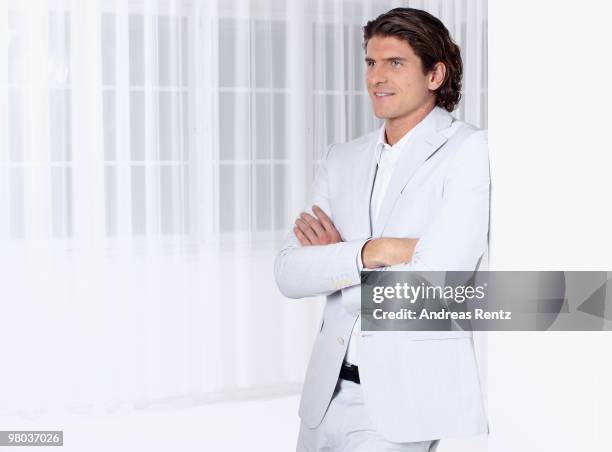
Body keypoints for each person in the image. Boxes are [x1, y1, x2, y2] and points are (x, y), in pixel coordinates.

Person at [274, 7, 490, 452]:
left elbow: (436, 284)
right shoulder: (342, 158)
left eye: (395, 63)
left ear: (435, 75)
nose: (376, 76)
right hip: (324, 397)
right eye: (371, 62)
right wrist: (378, 250)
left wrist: (336, 263)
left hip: (401, 404)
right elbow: (289, 273)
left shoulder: (467, 150)